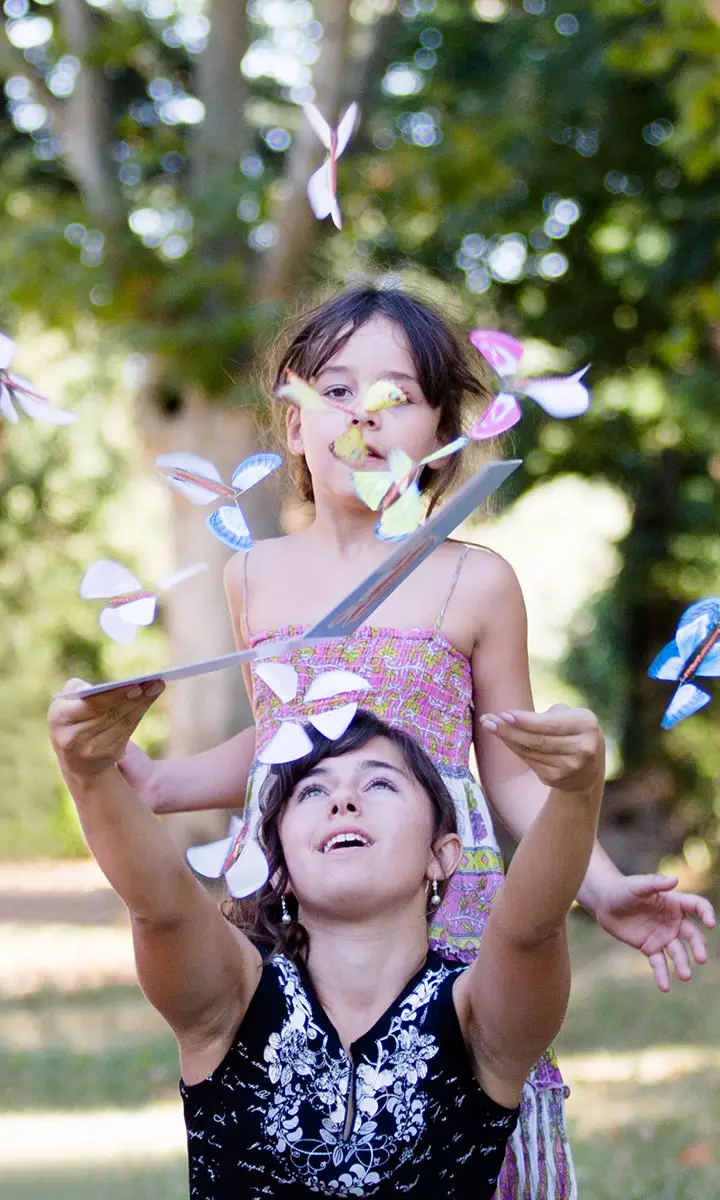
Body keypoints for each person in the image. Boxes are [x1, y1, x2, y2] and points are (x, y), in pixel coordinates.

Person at [116, 284, 715, 1197]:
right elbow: (281, 743)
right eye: (338, 390)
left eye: (397, 396)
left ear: (442, 432)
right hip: (298, 889)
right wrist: (160, 784)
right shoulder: (255, 575)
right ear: (294, 421)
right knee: (299, 1120)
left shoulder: (475, 582)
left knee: (444, 1118)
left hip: (442, 891)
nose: (365, 414)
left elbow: (513, 774)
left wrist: (599, 888)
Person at [48, 698, 607, 1199]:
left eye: (380, 783)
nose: (343, 799)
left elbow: (532, 928)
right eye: (312, 790)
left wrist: (577, 792)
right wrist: (89, 772)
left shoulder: (478, 1019)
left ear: (442, 855)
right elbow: (161, 906)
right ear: (281, 867)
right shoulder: (231, 998)